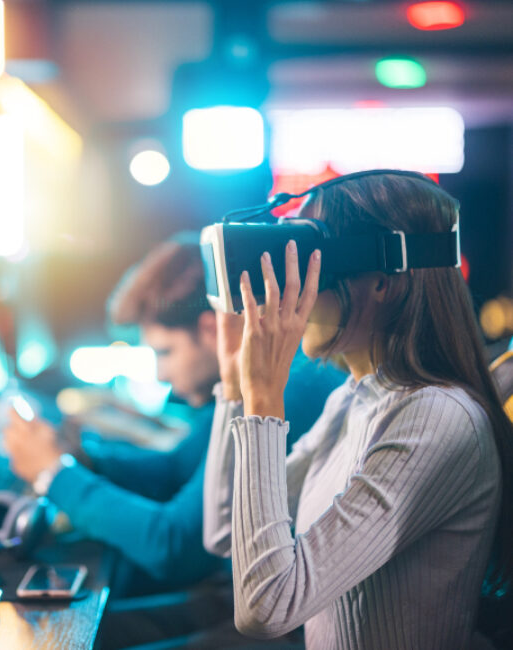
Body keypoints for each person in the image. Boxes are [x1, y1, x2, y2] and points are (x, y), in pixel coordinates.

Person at [203, 171, 513, 649]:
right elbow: (226, 532)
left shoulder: (436, 418)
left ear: (382, 283)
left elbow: (267, 608)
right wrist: (234, 391)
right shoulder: (354, 398)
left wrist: (265, 399)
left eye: (309, 265)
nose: (290, 292)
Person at [2, 233, 345, 596]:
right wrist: (87, 460)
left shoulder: (279, 391)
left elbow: (175, 548)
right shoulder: (269, 379)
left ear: (212, 330)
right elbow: (178, 468)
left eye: (165, 352)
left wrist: (53, 475)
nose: (160, 375)